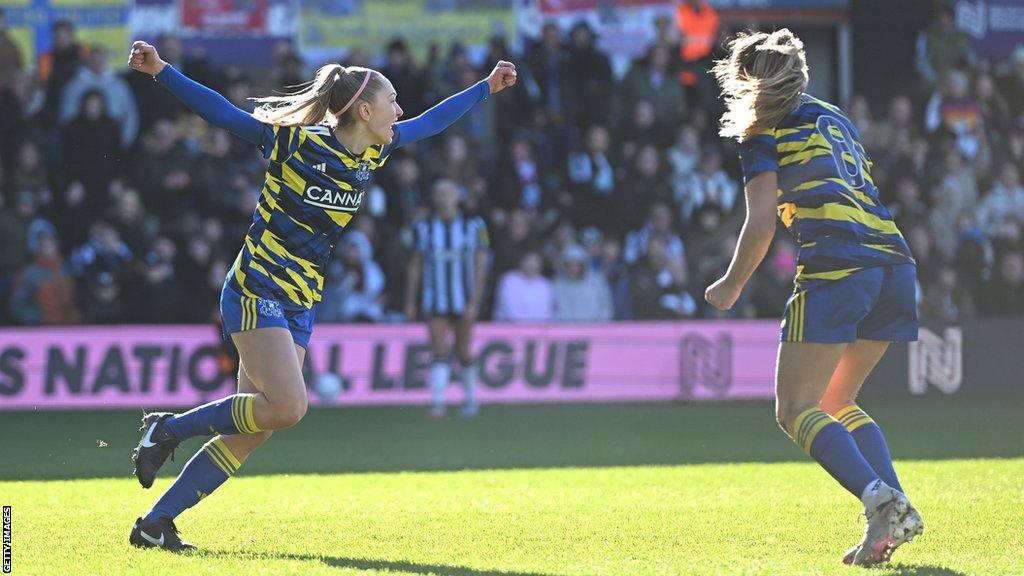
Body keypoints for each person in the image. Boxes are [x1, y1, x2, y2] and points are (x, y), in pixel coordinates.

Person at [125, 40, 516, 551]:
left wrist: (485, 89)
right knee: (288, 407)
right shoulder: (295, 142)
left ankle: (154, 525)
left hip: (301, 298)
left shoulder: (375, 148)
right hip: (257, 284)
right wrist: (162, 72)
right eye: (393, 101)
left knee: (255, 427)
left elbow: (434, 121)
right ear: (365, 109)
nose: (401, 111)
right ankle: (168, 428)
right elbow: (222, 113)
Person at [705, 29, 924, 567]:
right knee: (838, 400)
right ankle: (895, 515)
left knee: (795, 408)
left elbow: (760, 225)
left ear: (745, 79)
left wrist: (731, 283)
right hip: (894, 263)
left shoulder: (763, 129)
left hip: (837, 266)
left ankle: (880, 499)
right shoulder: (834, 117)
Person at [405, 179, 489, 418]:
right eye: (439, 193)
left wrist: (476, 299)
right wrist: (411, 301)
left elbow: (481, 264)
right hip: (435, 298)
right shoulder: (423, 228)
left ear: (457, 197)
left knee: (464, 350)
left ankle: (471, 400)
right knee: (439, 349)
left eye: (448, 193)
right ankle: (438, 403)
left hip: (464, 297)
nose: (443, 198)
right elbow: (415, 265)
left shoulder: (474, 225)